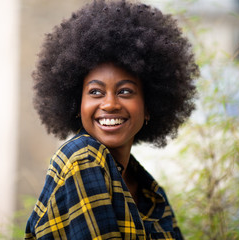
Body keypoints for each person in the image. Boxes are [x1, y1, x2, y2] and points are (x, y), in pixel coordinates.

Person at [25, 0, 199, 239]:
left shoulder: (149, 190)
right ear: (77, 105)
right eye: (95, 92)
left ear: (149, 107)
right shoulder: (83, 157)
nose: (109, 104)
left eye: (125, 91)